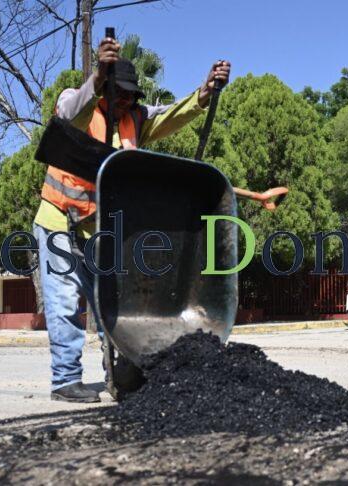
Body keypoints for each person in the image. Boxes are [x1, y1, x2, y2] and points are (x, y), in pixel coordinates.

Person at [33, 36, 231, 402]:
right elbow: (67, 114)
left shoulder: (135, 117)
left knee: (111, 304)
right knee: (64, 303)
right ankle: (65, 380)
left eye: (130, 96)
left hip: (102, 231)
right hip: (59, 220)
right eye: (119, 93)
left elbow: (170, 115)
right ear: (106, 88)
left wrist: (205, 93)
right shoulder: (77, 103)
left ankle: (119, 374)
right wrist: (97, 77)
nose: (125, 101)